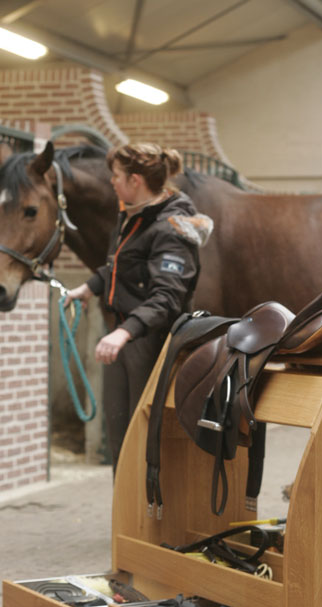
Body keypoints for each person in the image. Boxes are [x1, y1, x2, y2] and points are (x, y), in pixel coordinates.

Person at [65, 142, 213, 472]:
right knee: (121, 437)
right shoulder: (134, 216)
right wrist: (88, 288)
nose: (111, 182)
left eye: (115, 176)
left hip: (150, 342)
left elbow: (167, 298)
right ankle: (125, 519)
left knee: (144, 439)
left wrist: (123, 333)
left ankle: (149, 515)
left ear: (135, 180)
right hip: (127, 336)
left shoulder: (172, 229)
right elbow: (121, 266)